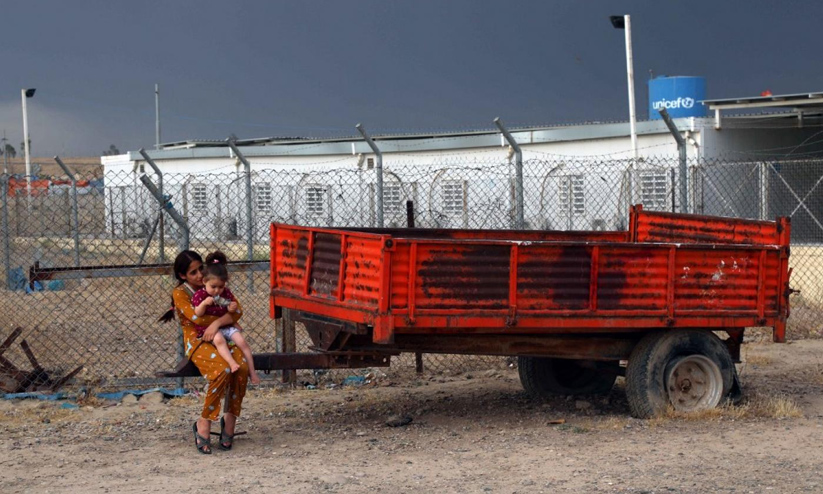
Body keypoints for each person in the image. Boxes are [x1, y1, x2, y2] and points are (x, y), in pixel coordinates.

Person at [159, 250, 249, 455]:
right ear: (183, 276)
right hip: (197, 340)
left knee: (241, 367)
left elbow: (239, 311)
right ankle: (204, 422)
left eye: (201, 269)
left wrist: (218, 322)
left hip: (220, 337)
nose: (200, 275)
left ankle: (230, 420)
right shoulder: (181, 293)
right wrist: (228, 319)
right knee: (222, 370)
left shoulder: (214, 285)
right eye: (193, 273)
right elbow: (196, 319)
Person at [192, 251, 260, 384]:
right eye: (213, 287)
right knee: (219, 340)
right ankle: (232, 363)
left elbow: (231, 310)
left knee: (242, 343)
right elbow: (198, 313)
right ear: (204, 281)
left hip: (226, 326)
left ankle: (253, 373)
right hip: (209, 329)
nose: (217, 291)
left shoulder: (226, 293)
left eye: (221, 287)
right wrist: (204, 304)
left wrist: (231, 307)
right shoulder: (200, 295)